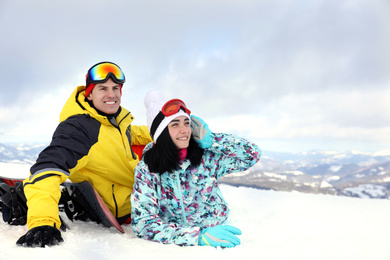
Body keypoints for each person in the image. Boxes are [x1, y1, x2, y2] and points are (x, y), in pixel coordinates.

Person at [16, 61, 152, 247]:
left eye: (115, 88)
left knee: (161, 144)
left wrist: (172, 128)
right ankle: (49, 201)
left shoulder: (115, 121)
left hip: (136, 194)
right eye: (102, 88)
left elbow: (133, 133)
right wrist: (43, 222)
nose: (111, 94)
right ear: (89, 95)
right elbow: (47, 167)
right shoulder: (80, 128)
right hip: (115, 208)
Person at [131, 91, 261, 247]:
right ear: (161, 133)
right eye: (175, 124)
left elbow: (252, 154)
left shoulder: (206, 156)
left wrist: (213, 140)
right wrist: (197, 237)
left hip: (222, 231)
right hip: (178, 246)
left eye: (186, 123)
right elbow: (144, 224)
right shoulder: (148, 168)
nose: (184, 130)